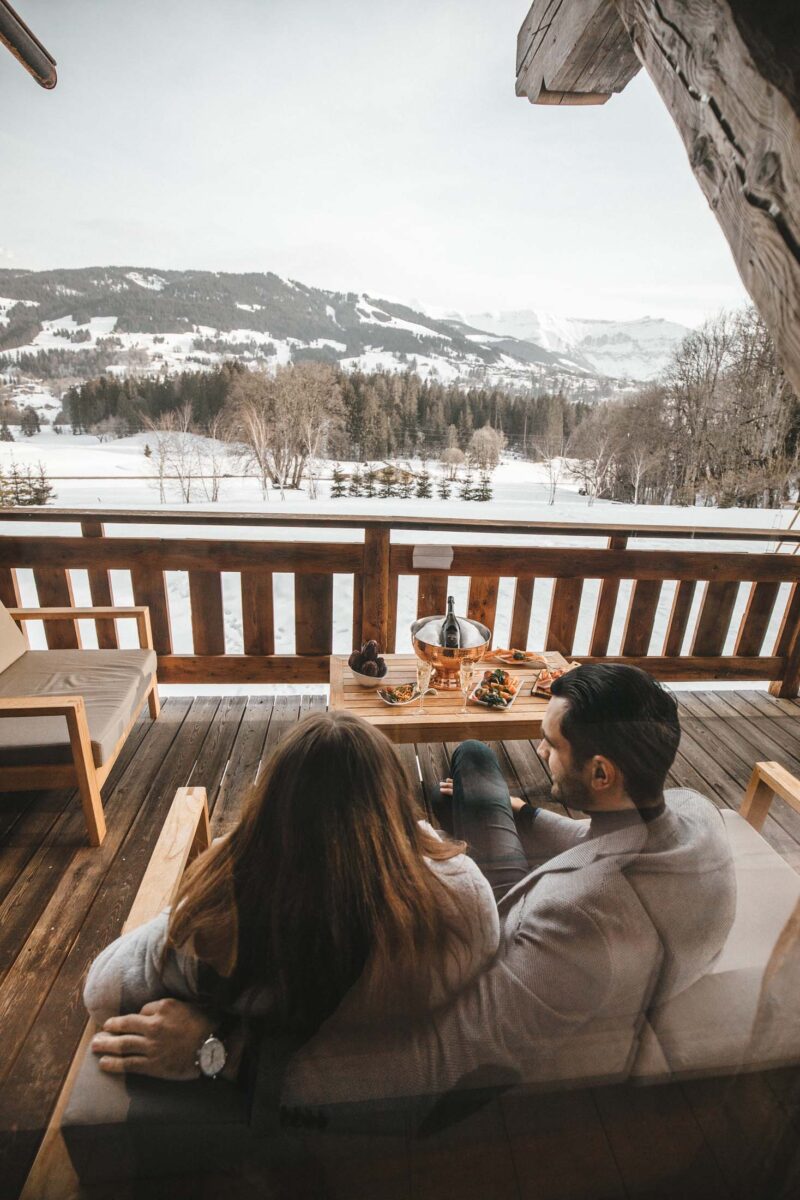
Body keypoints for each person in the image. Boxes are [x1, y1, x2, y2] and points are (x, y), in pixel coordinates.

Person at [91, 665, 737, 1107]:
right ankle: (436, 800)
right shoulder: (690, 816)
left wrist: (222, 1051)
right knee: (475, 760)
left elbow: (440, 1059)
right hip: (522, 889)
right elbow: (605, 847)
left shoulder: (575, 925)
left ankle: (423, 805)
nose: (541, 752)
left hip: (525, 912)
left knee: (460, 781)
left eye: (550, 745)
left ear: (599, 771)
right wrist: (523, 816)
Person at [84, 710, 500, 1082]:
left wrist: (217, 1043)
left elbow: (102, 990)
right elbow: (423, 846)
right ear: (394, 809)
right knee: (475, 755)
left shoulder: (218, 940)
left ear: (268, 811)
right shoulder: (464, 905)